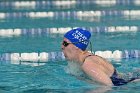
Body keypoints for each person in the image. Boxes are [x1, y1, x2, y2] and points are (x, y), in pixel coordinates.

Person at [61, 28, 139, 86]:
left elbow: (108, 86)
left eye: (65, 43)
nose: (62, 47)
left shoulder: (88, 65)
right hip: (127, 78)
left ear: (77, 46)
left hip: (129, 83)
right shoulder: (86, 60)